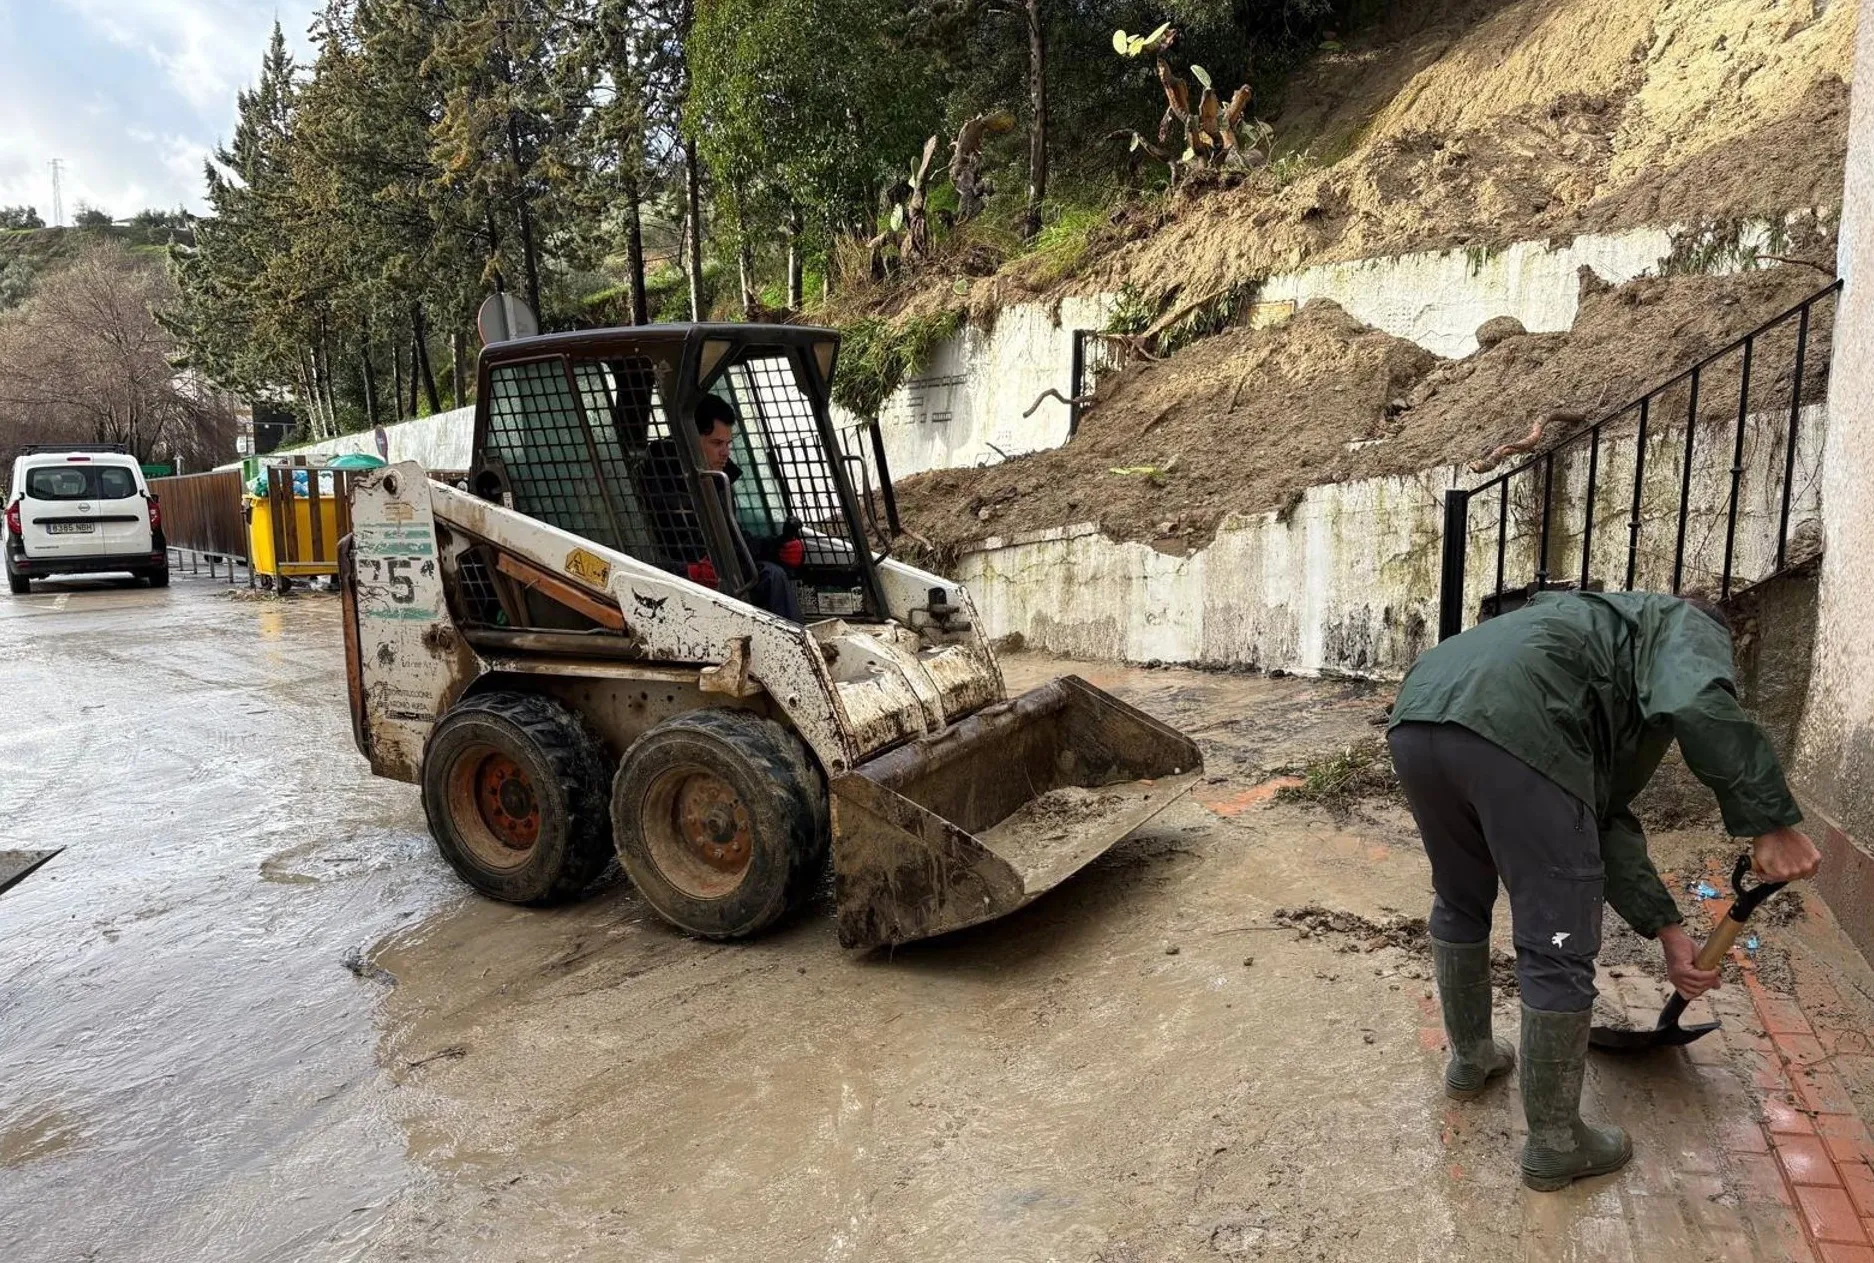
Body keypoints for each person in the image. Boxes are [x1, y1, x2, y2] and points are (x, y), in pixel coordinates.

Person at [1387, 590, 1821, 1192]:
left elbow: (1601, 814)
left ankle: (1471, 1060)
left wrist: (1668, 931)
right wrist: (1770, 823)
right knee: (1556, 938)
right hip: (1514, 729)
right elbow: (1698, 698)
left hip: (1420, 717)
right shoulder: (1684, 623)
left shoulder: (1583, 639)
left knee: (1461, 899)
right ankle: (1556, 1145)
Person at [682, 394, 802, 622]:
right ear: (689, 439)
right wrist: (685, 571)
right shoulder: (660, 484)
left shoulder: (717, 482)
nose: (726, 452)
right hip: (681, 587)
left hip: (719, 576)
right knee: (771, 577)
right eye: (717, 443)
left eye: (728, 444)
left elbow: (734, 542)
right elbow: (636, 555)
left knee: (771, 573)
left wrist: (778, 547)